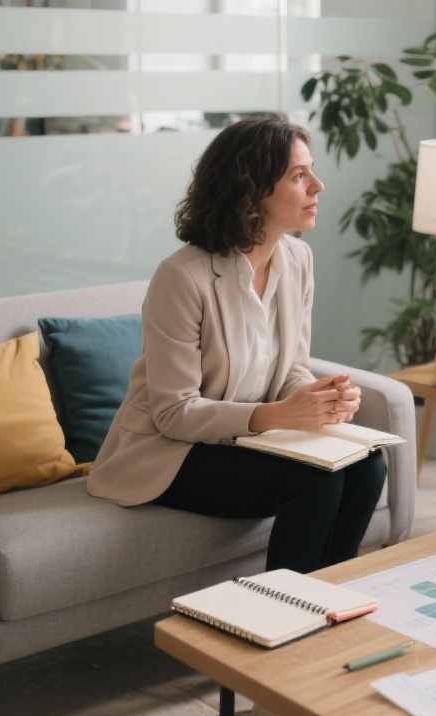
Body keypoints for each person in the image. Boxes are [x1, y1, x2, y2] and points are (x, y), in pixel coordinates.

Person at [89, 115, 385, 574]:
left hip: (246, 439)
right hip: (170, 451)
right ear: (251, 191)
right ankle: (282, 616)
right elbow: (174, 413)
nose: (318, 186)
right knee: (315, 483)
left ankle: (330, 603)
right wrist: (277, 416)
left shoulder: (298, 259)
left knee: (368, 467)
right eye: (298, 175)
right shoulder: (182, 277)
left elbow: (290, 369)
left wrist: (315, 398)